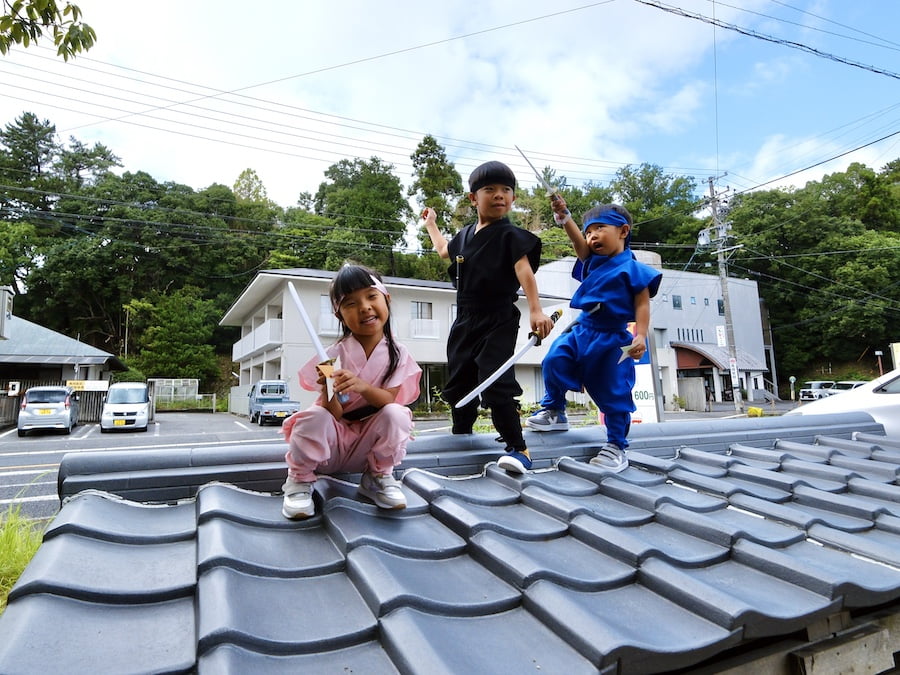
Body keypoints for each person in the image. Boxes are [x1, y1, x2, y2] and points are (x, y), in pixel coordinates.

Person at [422, 161, 554, 474]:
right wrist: (431, 223)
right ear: (473, 198)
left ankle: (519, 448)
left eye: (506, 190)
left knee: (495, 378)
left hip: (498, 317)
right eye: (490, 189)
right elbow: (443, 251)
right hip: (465, 317)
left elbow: (524, 272)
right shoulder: (465, 236)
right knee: (460, 380)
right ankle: (462, 436)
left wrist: (536, 309)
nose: (499, 195)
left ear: (513, 198)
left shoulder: (511, 236)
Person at [526, 197, 662, 473]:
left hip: (613, 336)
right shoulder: (592, 262)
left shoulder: (635, 270)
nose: (592, 236)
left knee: (614, 391)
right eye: (588, 231)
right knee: (554, 360)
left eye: (600, 228)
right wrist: (564, 217)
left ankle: (616, 446)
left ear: (623, 231)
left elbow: (642, 305)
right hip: (582, 329)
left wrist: (641, 336)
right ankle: (555, 410)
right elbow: (578, 244)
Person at [280, 263, 422, 519]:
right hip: (333, 448)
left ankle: (377, 477)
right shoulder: (331, 356)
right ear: (339, 315)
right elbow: (334, 413)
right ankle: (299, 481)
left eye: (371, 296)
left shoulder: (398, 353)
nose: (364, 307)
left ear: (387, 299)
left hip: (369, 448)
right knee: (316, 415)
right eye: (351, 303)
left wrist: (362, 386)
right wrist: (328, 388)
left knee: (396, 413)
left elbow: (388, 399)